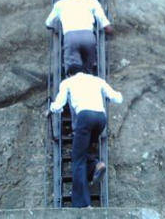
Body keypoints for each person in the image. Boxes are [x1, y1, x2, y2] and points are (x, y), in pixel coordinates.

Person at [48, 65, 123, 208]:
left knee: (78, 159)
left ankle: (82, 203)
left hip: (84, 117)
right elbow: (116, 97)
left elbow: (59, 105)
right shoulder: (96, 80)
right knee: (86, 150)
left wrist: (52, 108)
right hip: (101, 118)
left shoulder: (67, 82)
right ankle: (96, 165)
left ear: (69, 74)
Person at [45, 0, 113, 74]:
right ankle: (88, 76)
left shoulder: (60, 4)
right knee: (89, 64)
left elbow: (49, 23)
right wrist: (107, 27)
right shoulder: (91, 1)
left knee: (73, 68)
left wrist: (53, 27)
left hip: (70, 37)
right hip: (88, 36)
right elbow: (101, 18)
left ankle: (73, 83)